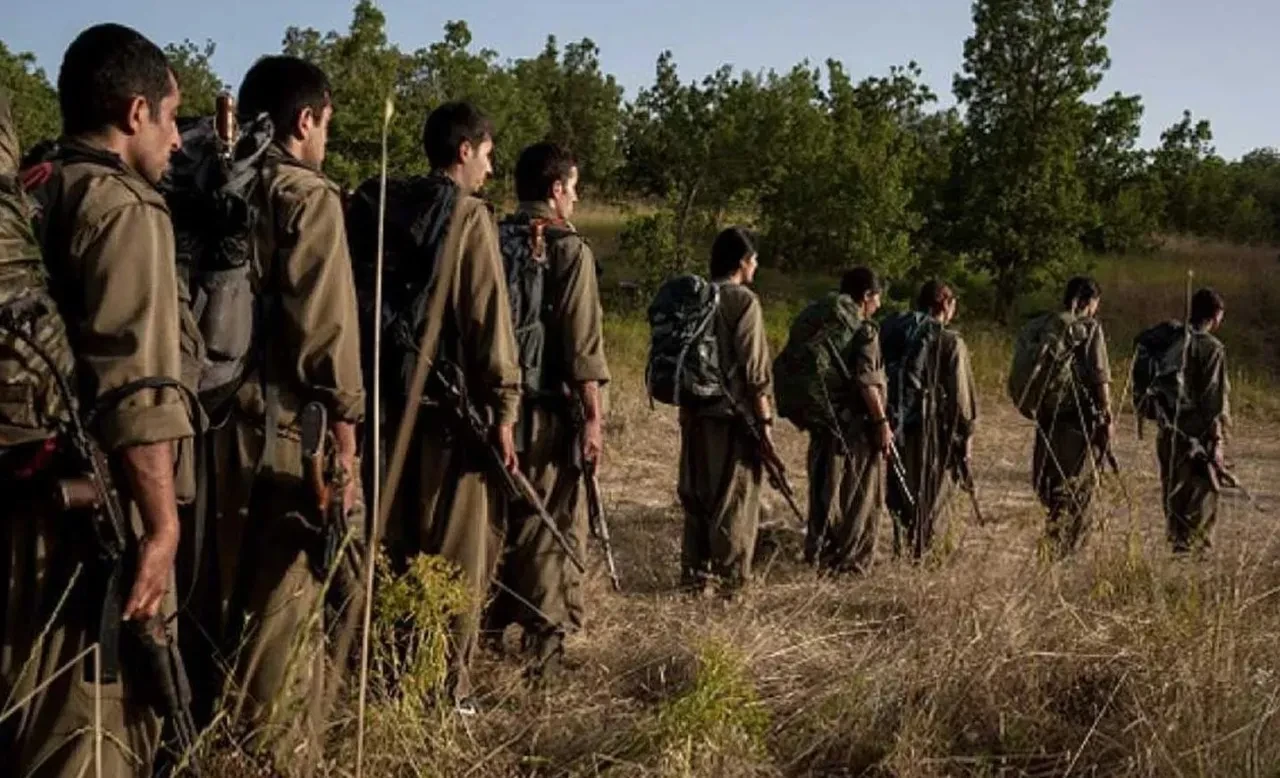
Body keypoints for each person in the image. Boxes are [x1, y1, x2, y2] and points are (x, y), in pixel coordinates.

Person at [2, 25, 192, 777]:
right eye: (172, 118)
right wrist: (162, 527)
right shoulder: (124, 207)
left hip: (21, 486)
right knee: (93, 730)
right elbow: (136, 392)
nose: (178, 140)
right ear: (134, 111)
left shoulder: (34, 187)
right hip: (84, 524)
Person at [201, 55, 364, 772]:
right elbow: (327, 337)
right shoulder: (308, 195)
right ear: (306, 120)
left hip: (203, 421)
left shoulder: (209, 178)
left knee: (215, 590)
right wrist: (348, 442)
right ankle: (273, 754)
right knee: (282, 603)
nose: (327, 138)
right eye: (327, 124)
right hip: (280, 431)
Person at [373, 101, 521, 713]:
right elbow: (488, 323)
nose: (489, 169)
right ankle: (444, 690)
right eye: (487, 155)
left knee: (399, 549)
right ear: (464, 151)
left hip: (387, 405)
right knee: (458, 557)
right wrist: (506, 411)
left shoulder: (386, 207)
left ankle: (390, 676)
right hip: (448, 415)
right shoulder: (467, 216)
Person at [482, 142, 609, 679]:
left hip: (493, 409)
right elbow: (583, 351)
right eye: (573, 187)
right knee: (550, 523)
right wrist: (595, 418)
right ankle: (545, 649)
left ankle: (488, 628)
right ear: (556, 189)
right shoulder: (567, 248)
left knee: (499, 520)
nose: (576, 198)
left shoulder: (491, 236)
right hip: (548, 413)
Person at [678, 227, 773, 596]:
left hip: (694, 413)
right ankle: (732, 585)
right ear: (742, 262)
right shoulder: (743, 302)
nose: (757, 266)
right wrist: (764, 423)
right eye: (754, 259)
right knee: (734, 501)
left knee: (697, 497)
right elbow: (755, 372)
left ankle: (693, 579)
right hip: (732, 419)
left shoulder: (696, 297)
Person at [807, 267, 892, 574]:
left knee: (823, 490)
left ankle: (820, 553)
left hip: (823, 419)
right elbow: (868, 382)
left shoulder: (823, 323)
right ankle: (850, 561)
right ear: (866, 295)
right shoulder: (864, 330)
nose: (879, 305)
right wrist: (881, 422)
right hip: (855, 426)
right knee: (860, 495)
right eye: (877, 297)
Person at [885, 281, 978, 558]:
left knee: (902, 497)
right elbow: (962, 402)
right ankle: (925, 559)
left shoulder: (896, 332)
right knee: (931, 500)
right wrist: (966, 439)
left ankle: (903, 552)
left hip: (897, 424)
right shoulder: (950, 341)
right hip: (932, 431)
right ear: (946, 305)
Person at [1031, 276, 1113, 558]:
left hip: (1046, 419)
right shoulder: (1088, 329)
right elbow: (1100, 377)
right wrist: (1107, 419)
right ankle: (1066, 554)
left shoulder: (1046, 325)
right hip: (1077, 424)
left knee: (1052, 489)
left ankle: (1051, 546)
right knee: (1076, 494)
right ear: (1089, 302)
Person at [1157, 288, 1230, 554]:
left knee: (1175, 497)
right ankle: (1193, 565)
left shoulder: (1171, 341)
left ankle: (1178, 549)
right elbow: (1213, 401)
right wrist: (1217, 443)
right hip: (1198, 438)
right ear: (1215, 316)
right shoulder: (1212, 348)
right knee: (1201, 501)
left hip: (1169, 433)